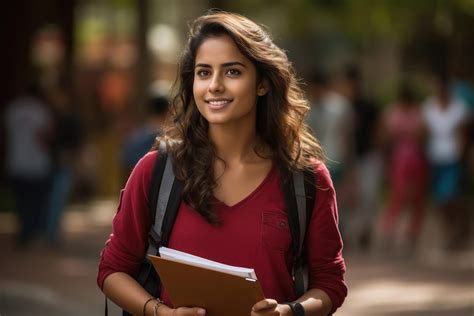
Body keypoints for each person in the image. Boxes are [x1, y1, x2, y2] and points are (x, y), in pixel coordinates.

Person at [98, 11, 347, 316]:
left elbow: (330, 284)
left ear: (262, 84)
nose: (214, 85)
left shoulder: (306, 180)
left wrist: (289, 312)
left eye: (232, 72)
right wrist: (160, 312)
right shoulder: (157, 171)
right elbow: (111, 271)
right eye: (204, 72)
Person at [4, 81, 54, 247]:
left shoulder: (13, 109)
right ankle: (30, 232)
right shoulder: (41, 110)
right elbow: (46, 136)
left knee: (21, 200)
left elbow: (6, 134)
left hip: (16, 161)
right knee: (35, 201)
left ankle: (23, 232)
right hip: (37, 163)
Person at [380, 83, 428, 253]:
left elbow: (423, 135)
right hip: (399, 160)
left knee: (415, 200)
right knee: (397, 198)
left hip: (415, 160)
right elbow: (385, 137)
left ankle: (411, 237)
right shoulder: (393, 112)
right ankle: (389, 234)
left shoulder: (418, 113)